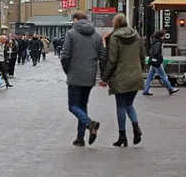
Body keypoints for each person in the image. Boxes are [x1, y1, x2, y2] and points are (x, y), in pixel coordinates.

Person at [99, 13, 145, 147]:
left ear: (116, 23)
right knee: (129, 104)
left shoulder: (115, 38)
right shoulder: (137, 36)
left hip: (120, 77)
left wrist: (105, 78)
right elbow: (143, 57)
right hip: (135, 76)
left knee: (121, 105)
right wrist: (138, 70)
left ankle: (122, 136)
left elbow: (112, 60)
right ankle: (136, 128)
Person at [61, 11, 106, 147]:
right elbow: (103, 56)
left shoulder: (71, 34)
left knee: (73, 106)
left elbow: (65, 55)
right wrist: (103, 75)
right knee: (82, 105)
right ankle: (80, 138)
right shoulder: (97, 35)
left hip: (75, 73)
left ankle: (89, 123)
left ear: (75, 20)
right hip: (90, 75)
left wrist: (67, 70)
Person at [143, 31, 179, 96]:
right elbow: (156, 52)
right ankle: (170, 89)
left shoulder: (154, 41)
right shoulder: (158, 43)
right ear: (160, 36)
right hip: (156, 62)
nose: (164, 37)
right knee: (163, 75)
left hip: (153, 61)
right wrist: (160, 58)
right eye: (163, 35)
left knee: (150, 76)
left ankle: (146, 90)